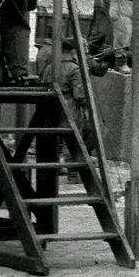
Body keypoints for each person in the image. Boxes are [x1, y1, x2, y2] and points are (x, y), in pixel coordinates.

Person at [36, 37, 96, 183]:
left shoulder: (50, 67)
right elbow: (80, 94)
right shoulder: (74, 68)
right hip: (69, 106)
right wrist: (86, 108)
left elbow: (42, 83)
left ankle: (55, 168)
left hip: (50, 104)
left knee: (54, 139)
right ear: (73, 51)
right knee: (74, 139)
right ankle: (73, 173)